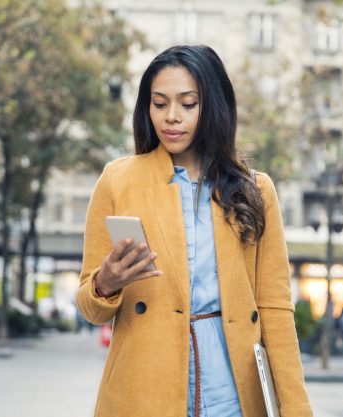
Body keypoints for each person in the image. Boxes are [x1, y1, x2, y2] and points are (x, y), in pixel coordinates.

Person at [76, 45, 312, 417]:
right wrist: (105, 283)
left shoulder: (255, 189)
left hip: (232, 387)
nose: (172, 117)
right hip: (143, 386)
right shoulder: (117, 181)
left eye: (188, 104)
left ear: (213, 106)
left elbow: (275, 310)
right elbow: (90, 309)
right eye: (159, 103)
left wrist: (297, 409)